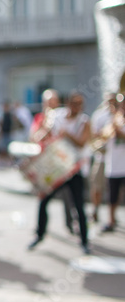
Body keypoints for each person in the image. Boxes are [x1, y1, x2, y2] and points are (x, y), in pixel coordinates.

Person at [28, 92, 91, 254]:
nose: (78, 107)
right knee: (44, 200)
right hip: (57, 169)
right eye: (75, 103)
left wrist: (67, 135)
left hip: (74, 170)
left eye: (80, 104)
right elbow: (43, 132)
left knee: (79, 206)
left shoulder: (84, 121)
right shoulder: (57, 116)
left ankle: (84, 241)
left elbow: (83, 142)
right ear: (68, 104)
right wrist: (41, 136)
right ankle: (39, 234)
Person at [29, 88, 76, 235]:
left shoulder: (63, 116)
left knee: (68, 195)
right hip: (46, 163)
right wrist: (45, 126)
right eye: (49, 102)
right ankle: (40, 230)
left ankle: (71, 225)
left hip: (61, 161)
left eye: (54, 102)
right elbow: (34, 137)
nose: (52, 105)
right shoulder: (40, 118)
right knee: (43, 197)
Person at [88, 92, 117, 222]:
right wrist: (104, 133)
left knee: (115, 188)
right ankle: (95, 210)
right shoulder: (99, 115)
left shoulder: (119, 115)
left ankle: (112, 218)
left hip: (116, 158)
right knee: (97, 186)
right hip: (102, 155)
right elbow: (93, 135)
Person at [102, 94, 125, 232]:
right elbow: (102, 137)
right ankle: (111, 221)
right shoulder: (110, 120)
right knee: (112, 196)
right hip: (113, 165)